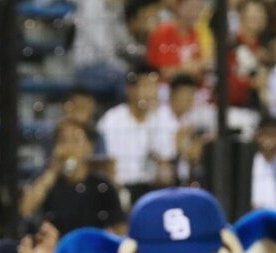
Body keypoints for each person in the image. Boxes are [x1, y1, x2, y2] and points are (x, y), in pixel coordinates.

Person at [20, 118, 126, 235]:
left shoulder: (102, 185)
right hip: (55, 248)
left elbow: (120, 228)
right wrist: (53, 170)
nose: (69, 147)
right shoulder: (47, 181)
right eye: (63, 141)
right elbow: (25, 209)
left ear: (90, 146)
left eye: (76, 141)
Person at [95, 65, 177, 204]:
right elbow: (106, 165)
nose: (151, 93)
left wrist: (154, 120)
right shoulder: (112, 119)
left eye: (154, 87)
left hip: (152, 187)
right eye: (146, 86)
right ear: (130, 90)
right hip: (122, 187)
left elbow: (165, 159)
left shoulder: (164, 117)